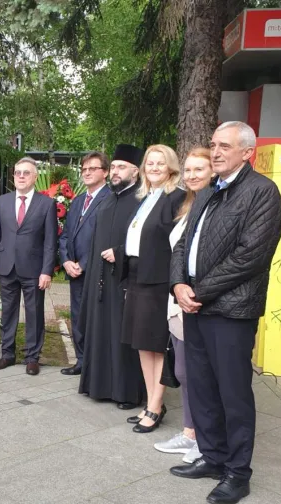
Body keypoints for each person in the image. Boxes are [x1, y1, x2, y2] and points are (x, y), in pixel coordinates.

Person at [169, 121, 281, 504]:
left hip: (232, 311)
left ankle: (237, 473)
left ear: (247, 152)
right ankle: (214, 457)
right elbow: (183, 243)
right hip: (196, 306)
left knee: (233, 394)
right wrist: (178, 285)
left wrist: (197, 291)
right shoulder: (207, 191)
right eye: (213, 145)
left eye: (224, 146)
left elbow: (250, 257)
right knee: (202, 388)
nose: (215, 152)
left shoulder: (262, 193)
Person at [118, 145, 186, 433]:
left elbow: (178, 244)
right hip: (137, 277)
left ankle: (156, 406)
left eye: (160, 163)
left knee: (157, 346)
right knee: (143, 346)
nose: (154, 168)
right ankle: (151, 401)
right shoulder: (145, 197)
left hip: (157, 282)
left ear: (170, 167)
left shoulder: (177, 198)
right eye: (150, 163)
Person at [154, 148, 213, 464]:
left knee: (197, 373)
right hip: (177, 300)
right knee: (182, 369)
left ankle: (205, 440)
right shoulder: (189, 203)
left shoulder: (215, 203)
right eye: (188, 170)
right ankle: (190, 433)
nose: (192, 175)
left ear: (212, 172)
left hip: (198, 300)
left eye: (199, 169)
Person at [78, 144, 145, 408]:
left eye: (121, 168)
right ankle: (97, 385)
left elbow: (149, 239)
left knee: (121, 336)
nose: (116, 172)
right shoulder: (108, 199)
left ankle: (125, 392)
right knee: (100, 331)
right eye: (114, 167)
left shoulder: (141, 201)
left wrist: (121, 252)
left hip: (124, 279)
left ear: (135, 172)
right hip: (99, 278)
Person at [0, 157, 58, 376]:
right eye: (18, 173)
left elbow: (50, 242)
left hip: (34, 270)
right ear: (13, 176)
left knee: (34, 313)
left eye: (26, 173)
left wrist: (47, 270)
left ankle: (32, 357)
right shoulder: (2, 202)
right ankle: (7, 354)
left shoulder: (47, 204)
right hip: (7, 267)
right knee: (8, 312)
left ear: (35, 177)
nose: (22, 176)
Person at [59, 151, 111, 376]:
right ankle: (81, 361)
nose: (87, 173)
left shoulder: (110, 199)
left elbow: (107, 238)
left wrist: (83, 263)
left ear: (105, 172)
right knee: (78, 317)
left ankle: (96, 365)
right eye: (84, 169)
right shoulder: (78, 200)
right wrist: (66, 260)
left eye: (93, 168)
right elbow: (66, 235)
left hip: (97, 271)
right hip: (74, 271)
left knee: (96, 320)